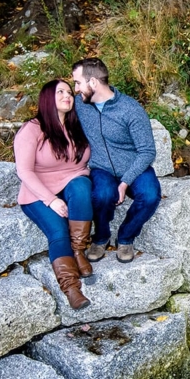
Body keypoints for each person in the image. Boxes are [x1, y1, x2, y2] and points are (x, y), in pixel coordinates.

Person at [71, 57, 160, 264]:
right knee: (102, 195)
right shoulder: (80, 105)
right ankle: (101, 237)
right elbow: (54, 114)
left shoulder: (130, 109)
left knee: (150, 196)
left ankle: (126, 237)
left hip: (133, 165)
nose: (76, 89)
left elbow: (147, 151)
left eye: (78, 83)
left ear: (93, 83)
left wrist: (125, 182)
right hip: (101, 167)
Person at [14, 79, 93, 310]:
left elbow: (84, 161)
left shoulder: (76, 124)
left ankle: (79, 251)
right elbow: (24, 171)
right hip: (38, 191)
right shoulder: (32, 129)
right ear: (48, 97)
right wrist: (52, 200)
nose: (67, 96)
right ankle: (71, 288)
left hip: (72, 182)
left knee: (81, 187)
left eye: (69, 92)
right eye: (61, 92)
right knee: (58, 231)